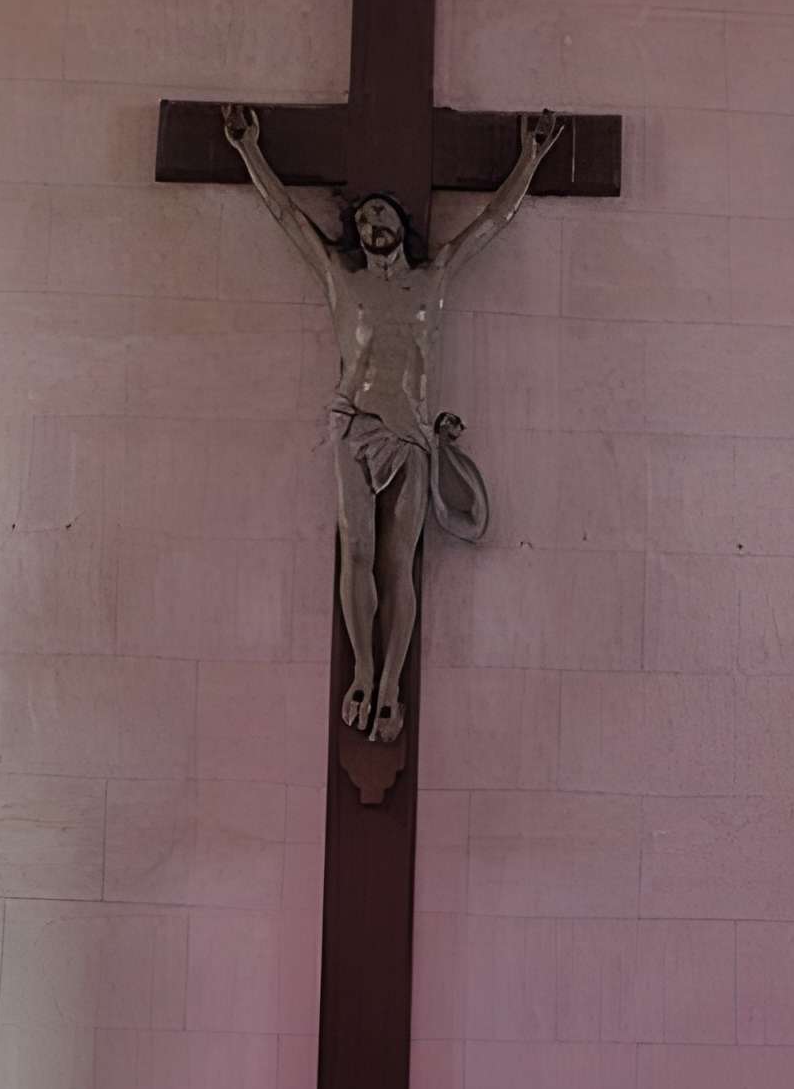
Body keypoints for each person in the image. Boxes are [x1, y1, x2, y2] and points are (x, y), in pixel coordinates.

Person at [222, 102, 564, 743]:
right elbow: (286, 217)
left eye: (381, 214)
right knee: (354, 551)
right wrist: (248, 150)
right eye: (362, 218)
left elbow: (491, 221)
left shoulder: (434, 279)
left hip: (409, 432)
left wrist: (532, 157)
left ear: (401, 225)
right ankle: (363, 668)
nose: (370, 222)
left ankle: (389, 685)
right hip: (354, 427)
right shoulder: (340, 278)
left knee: (397, 563)